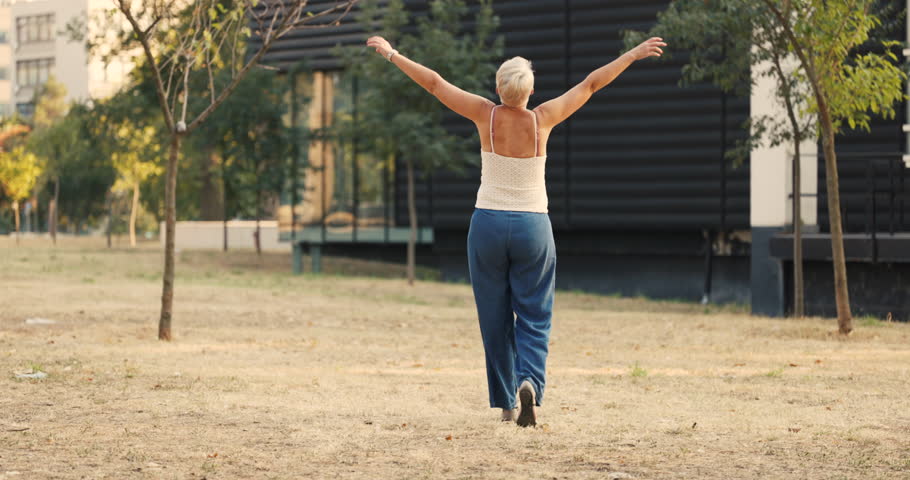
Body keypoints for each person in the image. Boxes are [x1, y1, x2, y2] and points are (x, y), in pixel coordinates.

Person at [366, 34, 666, 427]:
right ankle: (530, 383)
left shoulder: (484, 114)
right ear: (531, 91)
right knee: (535, 314)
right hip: (532, 226)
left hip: (488, 224)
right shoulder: (544, 118)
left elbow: (435, 83)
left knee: (494, 317)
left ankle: (507, 403)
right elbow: (592, 83)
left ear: (498, 88)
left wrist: (393, 54)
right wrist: (632, 53)